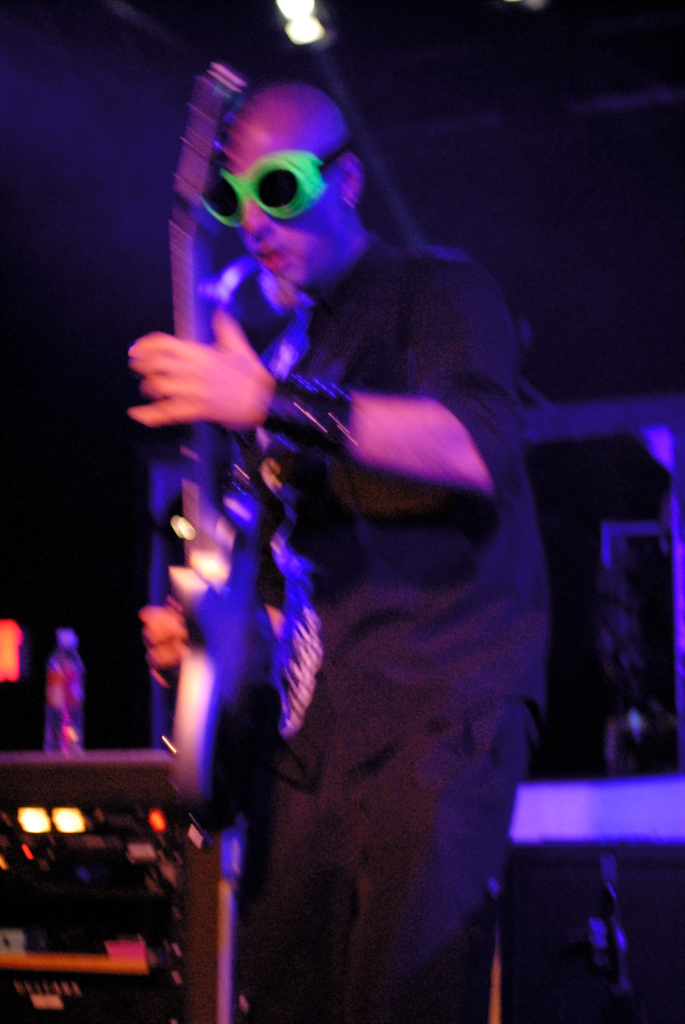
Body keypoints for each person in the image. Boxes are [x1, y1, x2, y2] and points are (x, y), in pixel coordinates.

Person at [130, 82, 548, 1024]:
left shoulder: (434, 291)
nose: (253, 221)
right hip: (308, 747)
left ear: (347, 181)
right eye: (234, 198)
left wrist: (268, 405)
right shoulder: (283, 354)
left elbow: (475, 449)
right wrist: (217, 636)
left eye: (278, 187)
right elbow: (294, 588)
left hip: (436, 715)